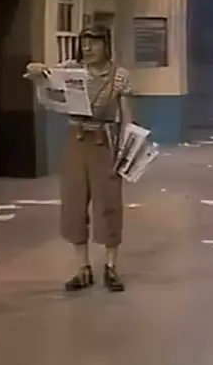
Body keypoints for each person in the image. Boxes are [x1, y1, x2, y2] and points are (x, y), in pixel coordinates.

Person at [24, 23, 134, 292]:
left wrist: (129, 147)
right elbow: (45, 81)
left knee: (109, 203)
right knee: (74, 203)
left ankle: (110, 266)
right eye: (84, 42)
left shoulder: (119, 75)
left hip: (104, 141)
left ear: (106, 44)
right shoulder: (71, 69)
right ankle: (82, 268)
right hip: (76, 140)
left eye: (94, 42)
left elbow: (127, 116)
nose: (87, 47)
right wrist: (37, 72)